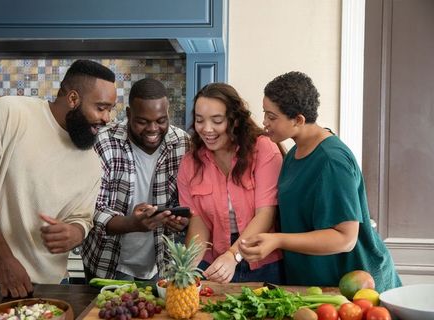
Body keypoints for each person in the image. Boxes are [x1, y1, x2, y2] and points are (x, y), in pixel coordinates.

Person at [0, 60, 117, 297]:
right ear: (73, 99)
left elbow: (82, 218)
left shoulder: (92, 163)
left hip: (50, 289)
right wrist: (4, 259)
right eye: (101, 108)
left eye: (110, 109)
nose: (107, 118)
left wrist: (76, 232)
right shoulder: (10, 113)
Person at [239, 71, 402, 292]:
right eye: (265, 113)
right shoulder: (295, 151)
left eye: (272, 116)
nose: (265, 122)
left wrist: (277, 240)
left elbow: (345, 238)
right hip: (316, 283)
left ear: (298, 120)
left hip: (354, 286)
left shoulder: (331, 160)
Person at [81, 78, 190, 282]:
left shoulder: (182, 144)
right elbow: (90, 208)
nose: (152, 129)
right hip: (107, 263)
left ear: (168, 113)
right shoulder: (103, 142)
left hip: (162, 265)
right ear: (129, 114)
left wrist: (182, 222)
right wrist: (132, 223)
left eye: (160, 120)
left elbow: (190, 202)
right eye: (142, 121)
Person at [177, 83, 284, 284]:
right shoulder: (190, 163)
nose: (206, 129)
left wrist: (233, 255)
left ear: (234, 120)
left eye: (217, 120)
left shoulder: (263, 148)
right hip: (214, 261)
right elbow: (198, 223)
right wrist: (187, 268)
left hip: (262, 261)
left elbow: (266, 214)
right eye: (200, 120)